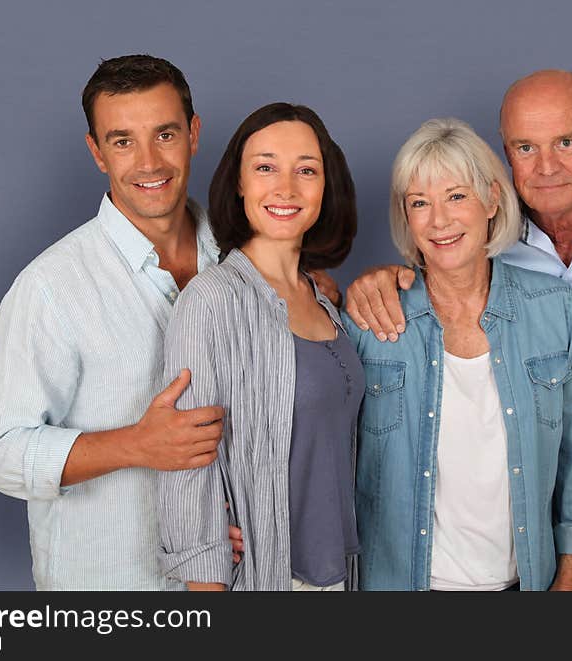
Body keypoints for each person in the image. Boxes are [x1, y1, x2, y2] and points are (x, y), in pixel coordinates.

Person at [346, 70, 572, 591]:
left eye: (565, 142)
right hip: (513, 505)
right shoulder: (411, 294)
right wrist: (373, 282)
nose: (546, 166)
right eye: (525, 147)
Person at [0, 55, 242, 590]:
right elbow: (0, 452)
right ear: (97, 152)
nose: (149, 162)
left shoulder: (247, 263)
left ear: (193, 134)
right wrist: (136, 445)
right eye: (123, 141)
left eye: (164, 134)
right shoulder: (51, 287)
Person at [343, 118, 572, 591]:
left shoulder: (553, 308)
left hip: (524, 583)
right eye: (419, 203)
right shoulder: (374, 318)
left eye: (456, 196)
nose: (439, 220)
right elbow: (324, 448)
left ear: (491, 200)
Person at [157, 103, 361, 591]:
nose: (286, 188)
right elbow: (188, 468)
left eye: (306, 170)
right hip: (267, 577)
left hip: (343, 572)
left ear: (325, 188)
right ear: (239, 183)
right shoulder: (211, 301)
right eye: (265, 167)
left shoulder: (326, 303)